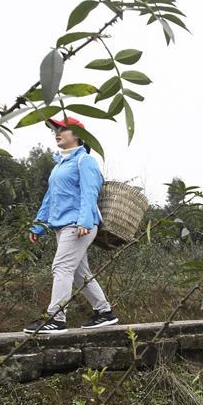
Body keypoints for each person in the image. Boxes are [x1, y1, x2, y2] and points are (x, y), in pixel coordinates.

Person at [24, 117, 118, 334]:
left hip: (78, 225)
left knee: (61, 267)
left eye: (63, 129)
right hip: (62, 225)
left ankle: (56, 319)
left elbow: (90, 191)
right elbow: (50, 198)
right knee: (78, 272)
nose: (57, 133)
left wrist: (84, 220)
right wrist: (38, 225)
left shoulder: (84, 161)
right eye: (55, 130)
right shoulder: (59, 165)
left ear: (78, 135)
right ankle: (105, 312)